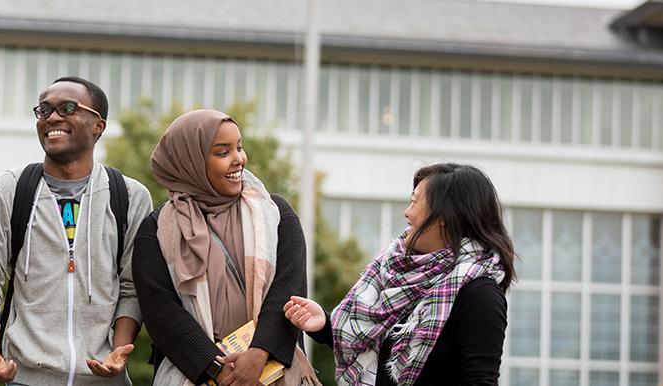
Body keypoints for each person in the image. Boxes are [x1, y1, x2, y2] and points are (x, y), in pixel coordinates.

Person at [0, 76, 153, 385]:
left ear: (98, 125)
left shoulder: (130, 196)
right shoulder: (6, 191)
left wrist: (118, 352)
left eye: (67, 108)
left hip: (104, 378)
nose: (52, 118)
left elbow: (132, 286)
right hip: (24, 377)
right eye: (44, 110)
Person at [284, 163, 516, 386]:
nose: (407, 213)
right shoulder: (398, 271)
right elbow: (376, 346)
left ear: (443, 216)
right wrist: (325, 325)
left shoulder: (479, 293)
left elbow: (480, 380)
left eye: (414, 202)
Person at [133, 109, 319, 386]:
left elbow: (289, 289)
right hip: (195, 376)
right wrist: (218, 370)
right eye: (223, 153)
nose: (239, 160)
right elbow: (161, 312)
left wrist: (258, 355)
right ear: (190, 161)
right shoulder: (157, 229)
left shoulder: (275, 213)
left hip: (274, 373)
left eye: (239, 148)